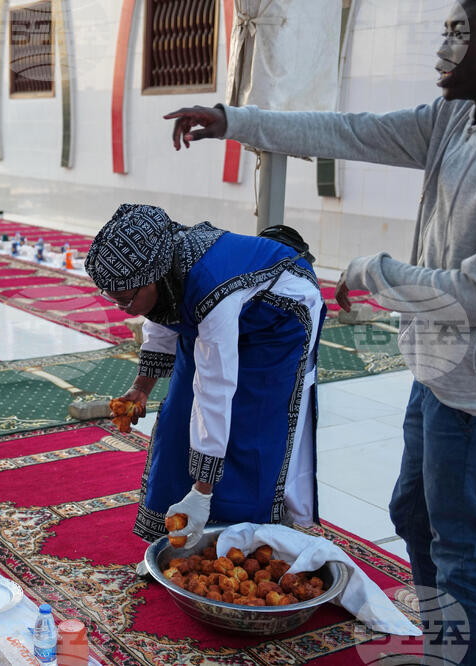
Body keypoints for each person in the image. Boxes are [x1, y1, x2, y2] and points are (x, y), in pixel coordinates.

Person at [163, 1, 476, 663]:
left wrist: (375, 272)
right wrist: (235, 120)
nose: (443, 50)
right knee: (415, 517)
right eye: (444, 31)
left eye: (461, 34)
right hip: (439, 368)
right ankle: (446, 646)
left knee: (462, 548)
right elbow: (349, 131)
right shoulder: (456, 117)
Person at [87, 204, 325, 548]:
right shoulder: (161, 272)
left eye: (125, 300)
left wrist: (202, 492)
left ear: (151, 279)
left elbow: (215, 390)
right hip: (216, 309)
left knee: (249, 424)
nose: (122, 309)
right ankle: (168, 536)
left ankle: (239, 537)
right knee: (178, 415)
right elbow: (161, 319)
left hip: (277, 318)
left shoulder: (211, 287)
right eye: (113, 300)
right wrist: (140, 388)